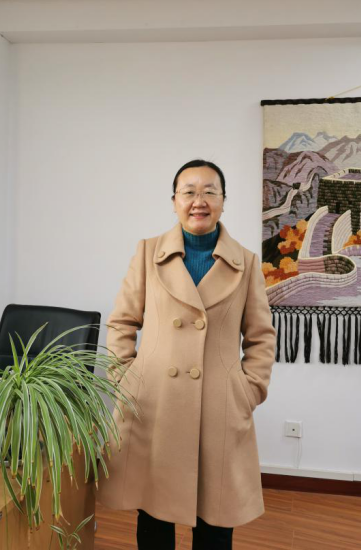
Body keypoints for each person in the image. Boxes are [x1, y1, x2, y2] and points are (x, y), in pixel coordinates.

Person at [97, 159, 277, 549]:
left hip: (220, 408)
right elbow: (122, 322)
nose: (199, 201)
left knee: (216, 522)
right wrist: (126, 379)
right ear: (174, 201)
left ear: (223, 201)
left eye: (210, 191)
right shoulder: (148, 252)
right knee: (154, 518)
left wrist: (249, 390)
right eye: (189, 192)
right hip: (154, 403)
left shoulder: (246, 263)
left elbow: (261, 337)